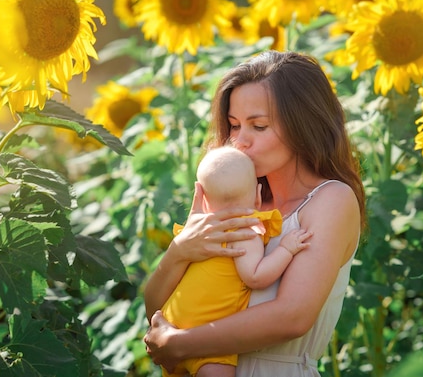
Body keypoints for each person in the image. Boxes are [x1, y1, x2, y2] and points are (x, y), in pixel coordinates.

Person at [143, 50, 366, 377]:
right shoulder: (234, 202)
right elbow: (156, 314)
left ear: (303, 124)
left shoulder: (330, 200)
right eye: (233, 126)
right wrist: (179, 252)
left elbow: (292, 316)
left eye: (258, 126)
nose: (239, 142)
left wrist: (183, 344)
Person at [161, 145, 311, 377]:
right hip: (206, 338)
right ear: (258, 196)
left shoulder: (197, 231)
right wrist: (285, 249)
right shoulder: (243, 230)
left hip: (172, 324)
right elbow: (256, 277)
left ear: (202, 199)